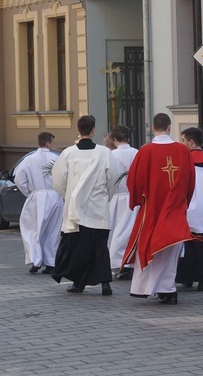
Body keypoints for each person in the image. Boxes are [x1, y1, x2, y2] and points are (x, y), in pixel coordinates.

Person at [122, 113, 196, 305]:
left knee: (149, 245)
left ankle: (147, 288)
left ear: (153, 128)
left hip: (152, 208)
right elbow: (190, 180)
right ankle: (167, 289)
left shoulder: (146, 151)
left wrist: (137, 201)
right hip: (175, 207)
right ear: (169, 128)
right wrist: (184, 201)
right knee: (171, 249)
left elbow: (134, 180)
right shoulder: (182, 151)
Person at [52, 115, 118, 295]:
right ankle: (105, 283)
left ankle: (78, 283)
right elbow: (113, 179)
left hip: (76, 210)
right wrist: (105, 197)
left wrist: (71, 196)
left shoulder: (68, 153)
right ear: (93, 130)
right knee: (100, 247)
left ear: (78, 130)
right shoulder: (104, 153)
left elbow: (58, 180)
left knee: (78, 249)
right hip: (98, 208)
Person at [15, 132, 63, 274]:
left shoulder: (29, 160)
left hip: (38, 195)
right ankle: (51, 262)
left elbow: (19, 178)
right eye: (53, 143)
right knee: (53, 230)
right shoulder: (56, 159)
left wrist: (29, 192)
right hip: (55, 195)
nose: (53, 146)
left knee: (33, 229)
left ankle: (35, 259)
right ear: (48, 143)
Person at [176, 127, 203, 291]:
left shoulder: (184, 159)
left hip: (189, 204)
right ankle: (198, 276)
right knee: (199, 243)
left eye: (183, 140)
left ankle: (192, 276)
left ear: (191, 142)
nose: (182, 143)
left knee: (187, 244)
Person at [107, 125, 138, 281]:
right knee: (131, 231)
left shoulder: (111, 155)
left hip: (116, 197)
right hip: (133, 198)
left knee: (116, 231)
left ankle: (119, 263)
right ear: (129, 138)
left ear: (114, 140)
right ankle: (130, 263)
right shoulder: (137, 153)